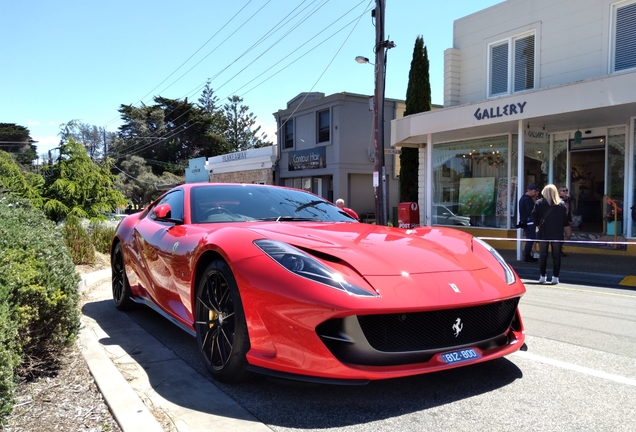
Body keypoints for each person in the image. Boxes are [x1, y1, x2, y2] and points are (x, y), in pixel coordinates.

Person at [531, 184, 569, 285]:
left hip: (543, 231)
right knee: (556, 255)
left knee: (543, 255)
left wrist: (538, 224)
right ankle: (555, 277)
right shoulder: (561, 204)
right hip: (557, 233)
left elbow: (533, 215)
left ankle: (542, 276)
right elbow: (565, 219)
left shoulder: (539, 203)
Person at [518, 184, 539, 262]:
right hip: (529, 222)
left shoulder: (524, 198)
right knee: (530, 240)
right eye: (534, 191)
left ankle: (528, 256)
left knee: (530, 239)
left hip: (526, 222)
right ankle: (527, 257)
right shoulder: (527, 199)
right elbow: (531, 212)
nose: (535, 193)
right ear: (529, 191)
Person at [558, 186, 573, 256]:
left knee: (569, 234)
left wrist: (570, 219)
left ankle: (559, 246)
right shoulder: (557, 199)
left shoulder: (568, 199)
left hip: (566, 218)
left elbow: (569, 210)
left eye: (566, 190)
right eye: (563, 191)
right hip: (559, 219)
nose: (565, 192)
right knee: (560, 234)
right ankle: (558, 249)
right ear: (559, 192)